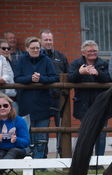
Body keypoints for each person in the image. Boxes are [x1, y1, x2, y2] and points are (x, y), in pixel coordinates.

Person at [14, 36, 59, 159]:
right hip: (25, 105)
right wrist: (30, 78)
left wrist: (41, 79)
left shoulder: (46, 60)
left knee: (42, 137)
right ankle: (28, 163)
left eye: (37, 48)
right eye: (33, 48)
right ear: (27, 48)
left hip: (43, 104)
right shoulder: (21, 61)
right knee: (27, 135)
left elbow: (55, 77)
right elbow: (17, 78)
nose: (35, 50)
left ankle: (39, 164)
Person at [68, 40, 111, 156]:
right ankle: (85, 158)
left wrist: (98, 74)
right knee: (85, 133)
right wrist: (80, 72)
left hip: (101, 104)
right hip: (83, 104)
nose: (92, 53)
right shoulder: (76, 64)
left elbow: (110, 78)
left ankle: (99, 160)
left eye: (95, 51)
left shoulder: (104, 63)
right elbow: (69, 78)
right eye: (89, 51)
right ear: (83, 53)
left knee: (101, 134)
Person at [39, 29, 69, 157]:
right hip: (41, 98)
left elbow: (68, 75)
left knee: (60, 128)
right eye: (46, 40)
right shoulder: (36, 56)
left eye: (50, 39)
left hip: (59, 98)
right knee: (43, 129)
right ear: (41, 41)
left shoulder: (60, 56)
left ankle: (61, 155)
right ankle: (42, 158)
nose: (48, 42)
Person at [0, 93, 30, 175]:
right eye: (0, 106)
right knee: (1, 153)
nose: (2, 108)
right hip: (1, 149)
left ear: (10, 106)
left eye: (5, 105)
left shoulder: (19, 121)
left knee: (13, 151)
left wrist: (16, 140)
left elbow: (26, 142)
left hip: (18, 149)